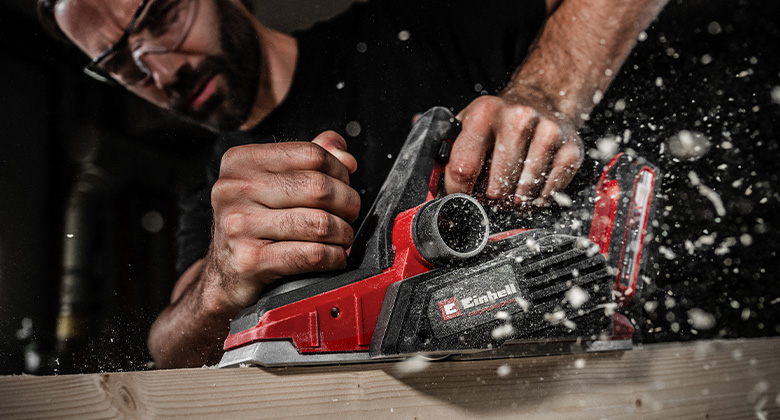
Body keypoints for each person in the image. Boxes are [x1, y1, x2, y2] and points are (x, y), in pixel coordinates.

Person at [39, 0, 668, 368]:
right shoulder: (214, 178)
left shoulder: (414, 22)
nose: (161, 69)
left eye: (161, 15)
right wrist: (219, 287)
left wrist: (541, 94)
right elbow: (171, 345)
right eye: (119, 62)